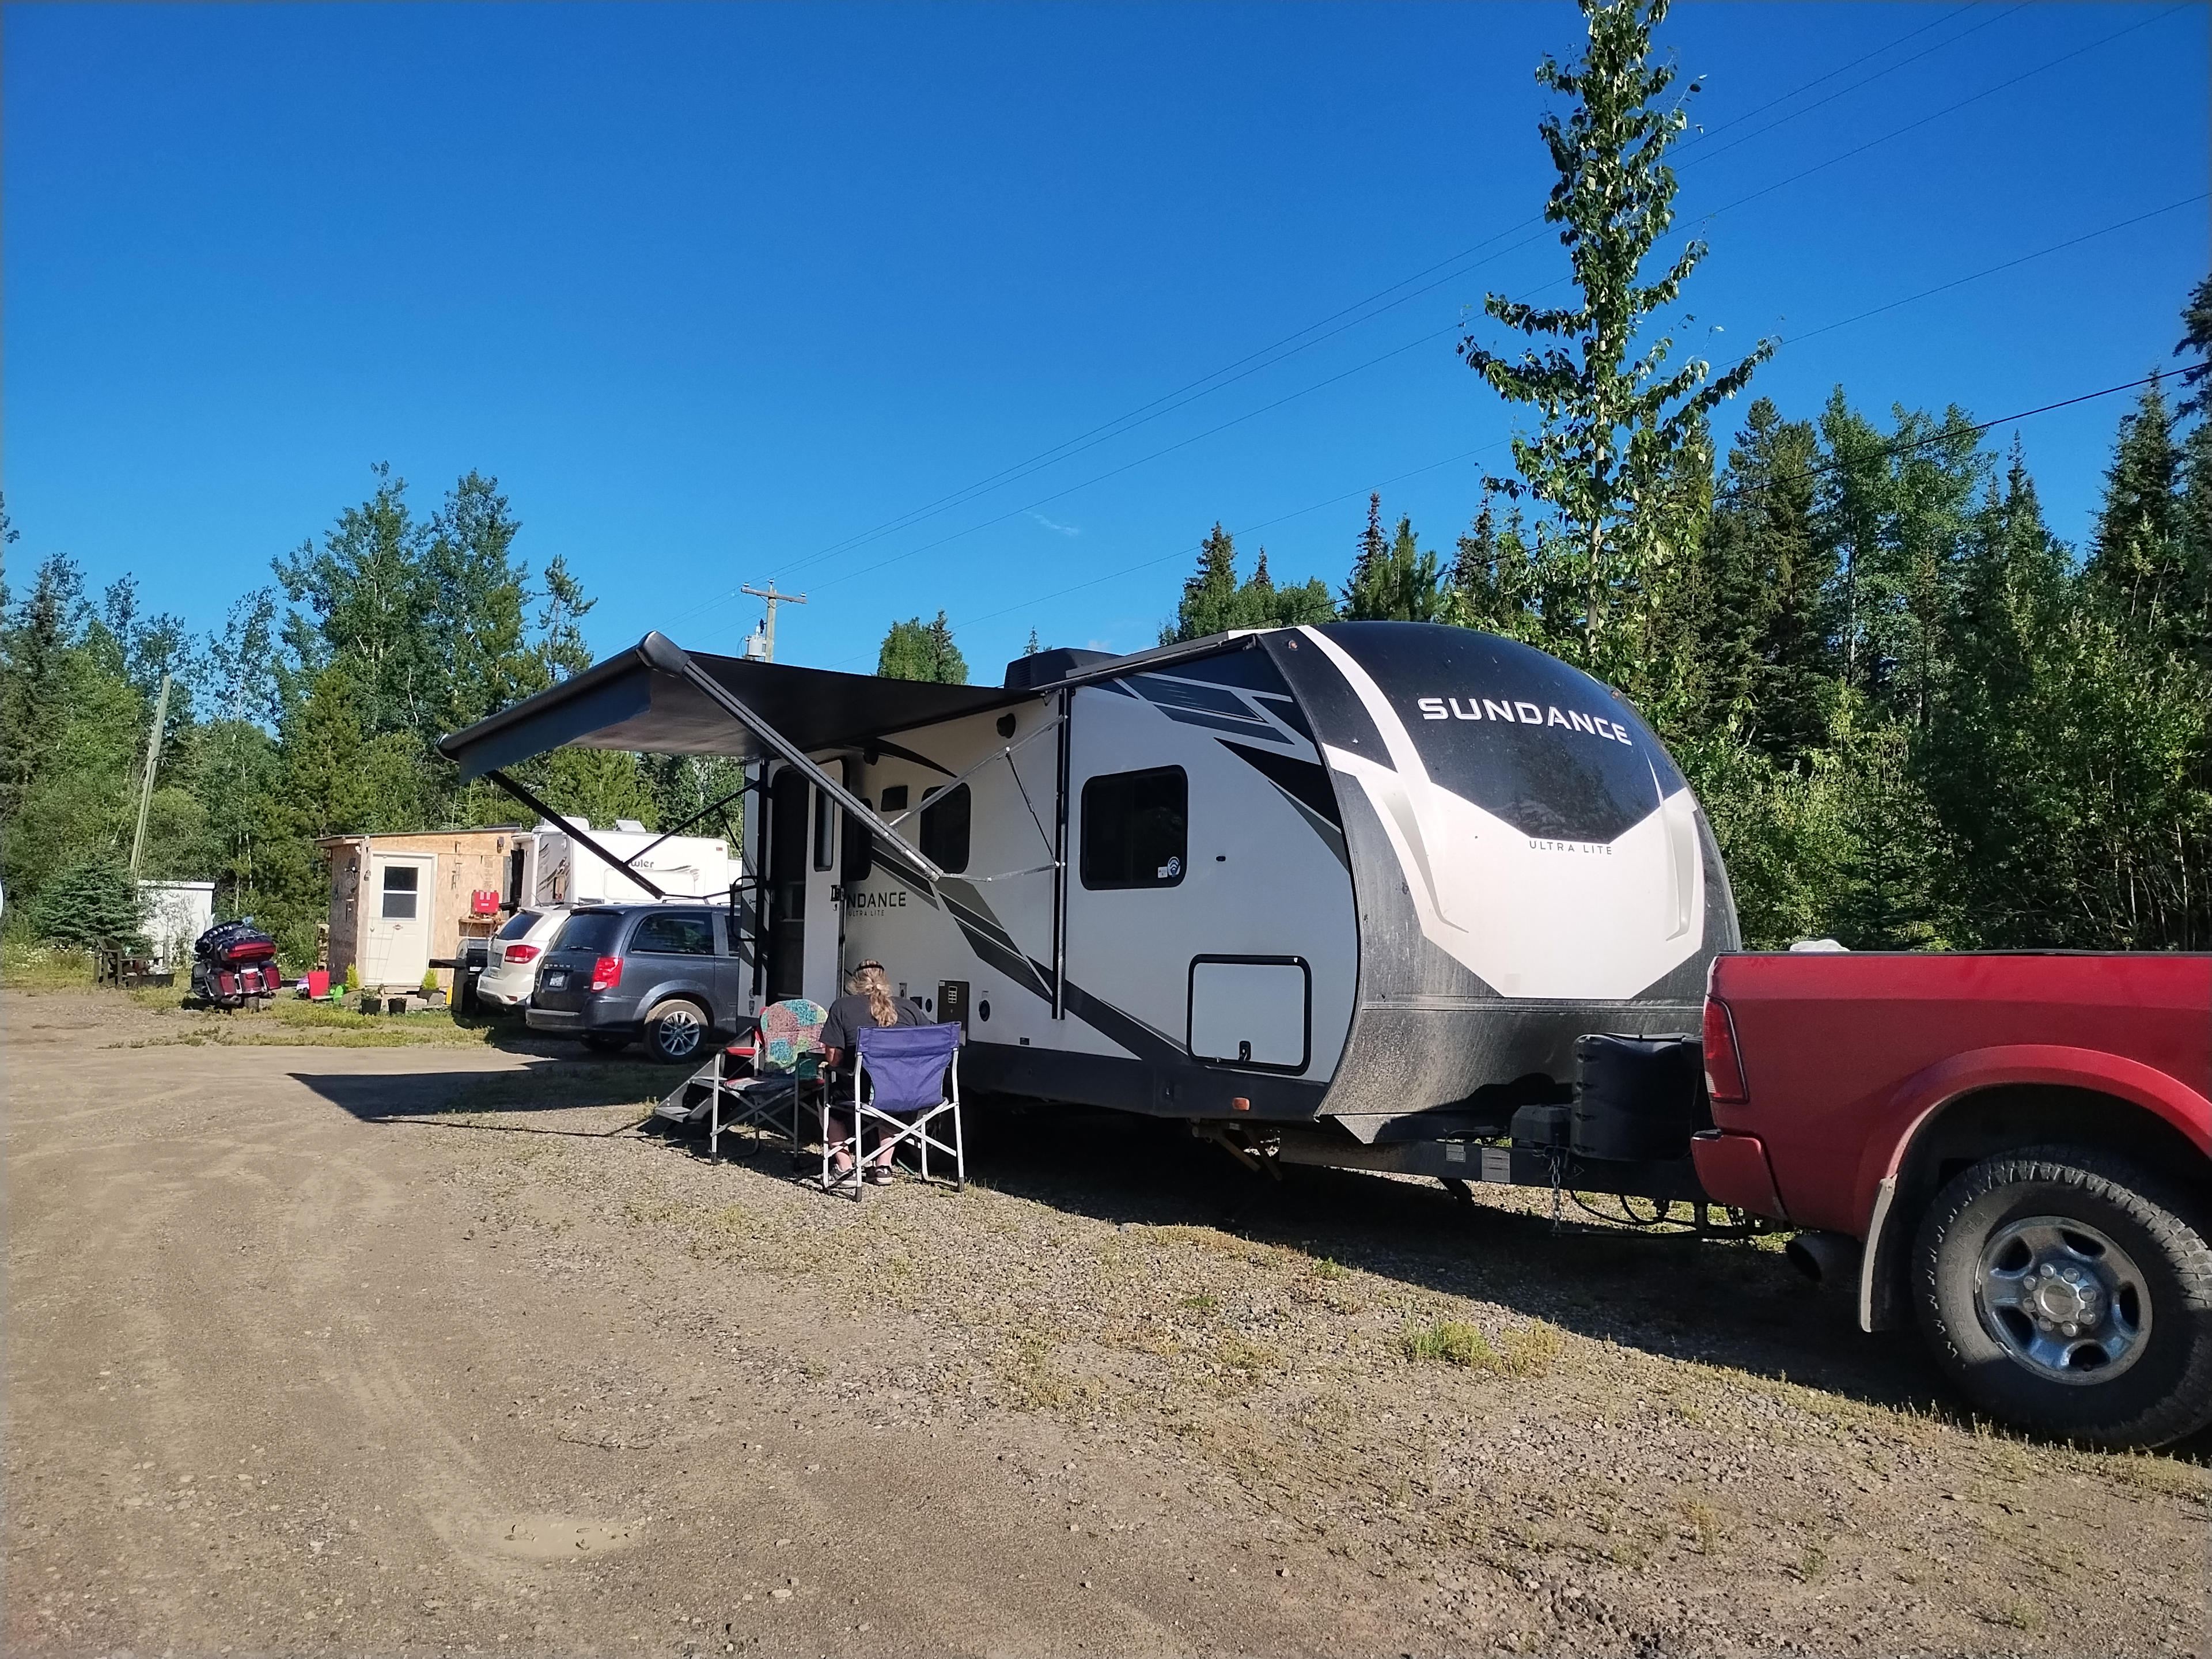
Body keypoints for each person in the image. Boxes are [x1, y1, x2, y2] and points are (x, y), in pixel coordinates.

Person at [817, 960, 927, 1186]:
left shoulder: (842, 1007)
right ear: (885, 981)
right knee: (893, 1100)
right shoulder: (909, 1008)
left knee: (825, 1099)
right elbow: (926, 1045)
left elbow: (833, 1058)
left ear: (855, 983)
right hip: (908, 1092)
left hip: (864, 1093)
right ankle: (883, 1167)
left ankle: (844, 1168)